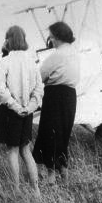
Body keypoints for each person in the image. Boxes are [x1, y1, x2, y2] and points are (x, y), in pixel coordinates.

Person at [0, 26, 43, 196]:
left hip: (10, 112)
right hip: (26, 112)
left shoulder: (4, 61)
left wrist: (15, 107)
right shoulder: (32, 61)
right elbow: (38, 89)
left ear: (8, 40)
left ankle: (16, 190)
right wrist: (28, 108)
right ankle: (36, 190)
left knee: (12, 150)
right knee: (25, 150)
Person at [32, 21, 80, 184]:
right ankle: (64, 176)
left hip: (55, 95)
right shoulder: (74, 52)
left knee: (49, 134)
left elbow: (40, 76)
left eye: (51, 37)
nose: (50, 40)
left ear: (57, 37)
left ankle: (51, 177)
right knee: (63, 134)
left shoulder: (56, 55)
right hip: (70, 96)